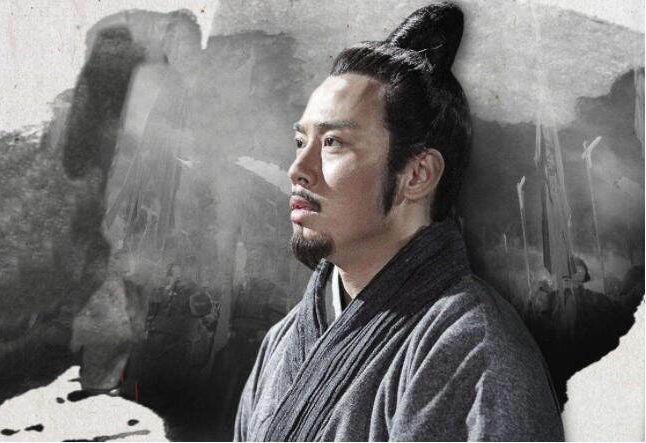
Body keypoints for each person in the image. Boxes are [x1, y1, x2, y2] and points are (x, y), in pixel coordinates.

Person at [233, 3, 564, 441]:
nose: (298, 169)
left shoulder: (473, 346)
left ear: (417, 175)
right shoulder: (282, 341)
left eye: (333, 142)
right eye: (300, 141)